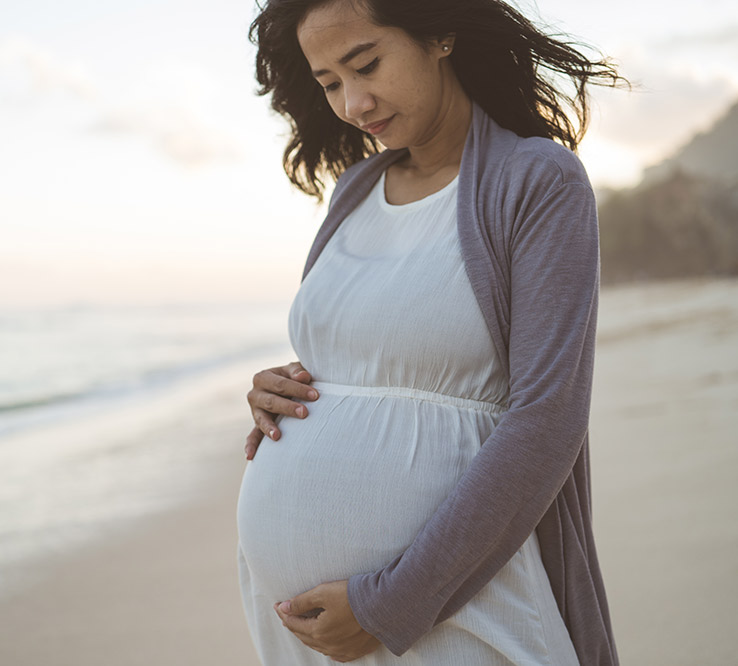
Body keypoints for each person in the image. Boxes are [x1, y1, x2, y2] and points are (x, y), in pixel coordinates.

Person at [235, 0, 625, 664]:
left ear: (440, 32)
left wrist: (389, 604)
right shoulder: (355, 190)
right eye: (330, 83)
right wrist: (284, 389)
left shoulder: (536, 180)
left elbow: (548, 417)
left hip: (454, 607)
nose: (355, 103)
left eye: (367, 64)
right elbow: (367, 362)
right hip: (307, 627)